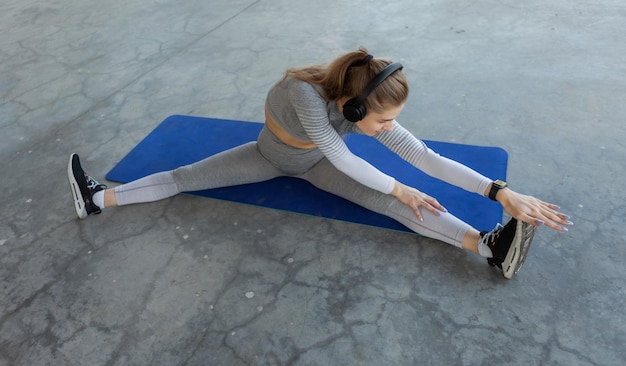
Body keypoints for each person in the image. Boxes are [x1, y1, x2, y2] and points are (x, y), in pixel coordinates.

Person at [67, 48, 572, 279]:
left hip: (313, 165)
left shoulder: (363, 110)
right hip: (269, 157)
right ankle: (97, 198)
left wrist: (499, 191)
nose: (388, 127)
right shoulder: (302, 94)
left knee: (394, 203)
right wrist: (401, 187)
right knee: (183, 179)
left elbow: (423, 156)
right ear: (355, 108)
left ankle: (488, 246)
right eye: (382, 120)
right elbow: (339, 153)